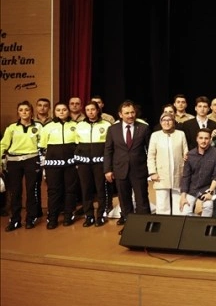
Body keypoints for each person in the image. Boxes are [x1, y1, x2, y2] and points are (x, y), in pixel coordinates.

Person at [104, 100, 152, 234]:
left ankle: (144, 226)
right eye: (127, 113)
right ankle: (129, 226)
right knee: (124, 200)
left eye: (132, 112)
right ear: (120, 114)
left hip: (139, 170)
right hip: (120, 170)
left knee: (142, 199)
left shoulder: (143, 128)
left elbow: (150, 149)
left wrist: (151, 170)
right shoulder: (112, 129)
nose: (130, 115)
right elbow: (108, 150)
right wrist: (108, 169)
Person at [1, 101, 43, 231]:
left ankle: (30, 218)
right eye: (21, 110)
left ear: (31, 112)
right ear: (18, 112)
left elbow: (42, 144)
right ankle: (15, 220)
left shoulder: (39, 127)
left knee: (31, 190)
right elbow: (3, 145)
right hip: (14, 161)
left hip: (32, 159)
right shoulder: (12, 128)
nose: (24, 112)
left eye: (27, 110)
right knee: (15, 191)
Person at [39, 102, 78, 229]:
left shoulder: (76, 126)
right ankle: (52, 218)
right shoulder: (48, 127)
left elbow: (79, 145)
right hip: (52, 164)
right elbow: (42, 147)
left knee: (70, 190)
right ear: (54, 112)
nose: (61, 112)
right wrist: (43, 166)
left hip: (71, 164)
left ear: (68, 111)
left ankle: (68, 216)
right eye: (58, 110)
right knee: (54, 191)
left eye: (64, 109)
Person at [74, 101, 112, 226]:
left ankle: (101, 215)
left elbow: (109, 145)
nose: (91, 112)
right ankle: (89, 216)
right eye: (88, 110)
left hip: (100, 163)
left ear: (98, 110)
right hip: (84, 163)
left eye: (93, 109)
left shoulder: (106, 125)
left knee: (101, 189)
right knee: (86, 190)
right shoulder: (79, 125)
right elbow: (76, 143)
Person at [147, 112, 188, 215]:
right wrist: (152, 172)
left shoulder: (180, 134)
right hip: (161, 174)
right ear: (160, 122)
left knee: (178, 203)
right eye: (164, 120)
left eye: (169, 120)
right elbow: (151, 156)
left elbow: (186, 154)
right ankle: (163, 226)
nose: (167, 122)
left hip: (179, 173)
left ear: (173, 122)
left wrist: (186, 172)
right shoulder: (155, 135)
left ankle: (178, 226)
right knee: (162, 204)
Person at [180, 128, 216, 217]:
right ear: (197, 139)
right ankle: (196, 223)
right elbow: (186, 177)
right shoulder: (190, 155)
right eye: (201, 138)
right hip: (192, 189)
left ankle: (202, 227)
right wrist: (183, 196)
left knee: (208, 206)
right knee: (185, 212)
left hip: (207, 188)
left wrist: (210, 192)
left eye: (206, 138)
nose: (203, 141)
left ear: (210, 139)